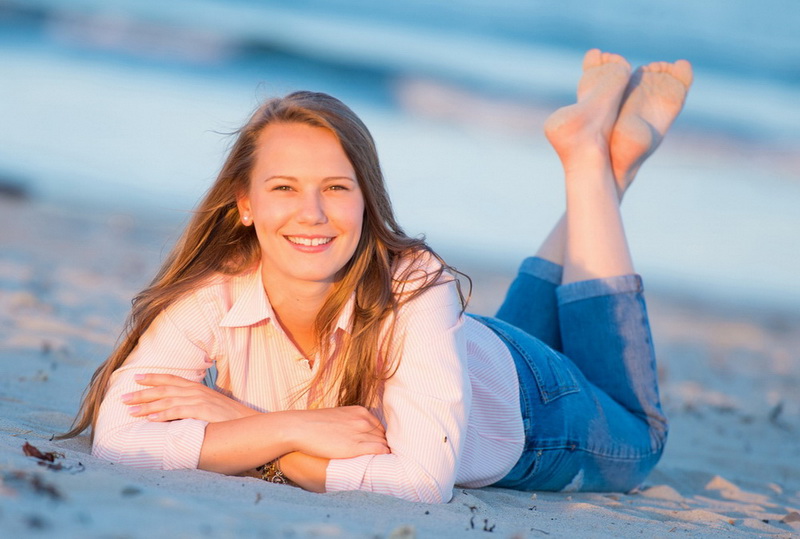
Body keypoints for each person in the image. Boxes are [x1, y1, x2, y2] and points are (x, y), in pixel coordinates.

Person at [62, 49, 693, 504]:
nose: (311, 214)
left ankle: (593, 165)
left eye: (336, 188)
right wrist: (290, 427)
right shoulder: (216, 288)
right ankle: (608, 163)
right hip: (466, 353)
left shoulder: (416, 284)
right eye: (284, 187)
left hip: (532, 415)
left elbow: (420, 482)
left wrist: (237, 425)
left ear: (367, 201)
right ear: (244, 205)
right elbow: (119, 433)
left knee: (641, 439)